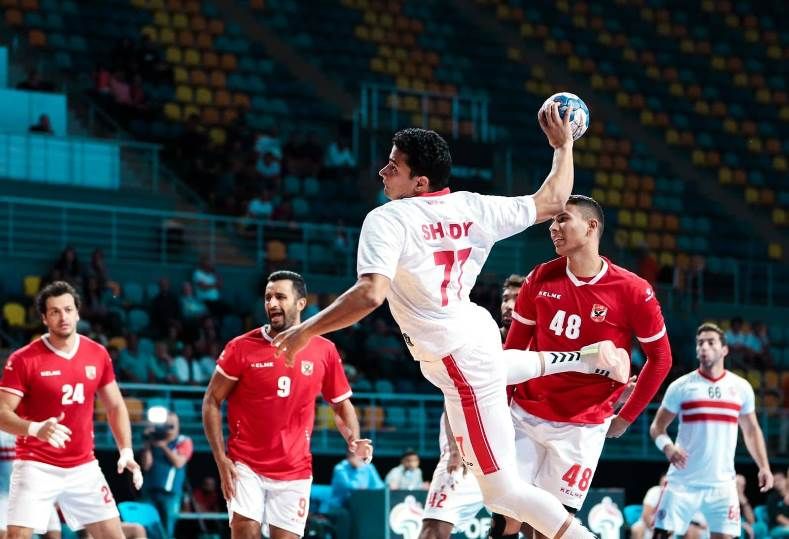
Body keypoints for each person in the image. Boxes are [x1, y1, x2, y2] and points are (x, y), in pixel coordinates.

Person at [272, 116, 631, 538]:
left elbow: (370, 294)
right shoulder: (473, 206)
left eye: (394, 166)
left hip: (456, 358)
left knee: (502, 494)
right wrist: (563, 146)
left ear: (420, 182)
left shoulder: (388, 219)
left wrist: (305, 331)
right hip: (470, 331)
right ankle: (583, 359)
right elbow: (552, 200)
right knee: (495, 370)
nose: (383, 171)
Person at [495, 195, 673, 538]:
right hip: (525, 415)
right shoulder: (539, 278)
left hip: (581, 428)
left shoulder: (633, 290)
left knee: (547, 530)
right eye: (553, 220)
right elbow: (512, 352)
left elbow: (661, 358)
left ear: (591, 227)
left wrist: (626, 418)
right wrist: (499, 407)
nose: (553, 227)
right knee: (506, 518)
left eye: (563, 219)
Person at [202, 270, 371, 539]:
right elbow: (212, 400)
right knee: (245, 532)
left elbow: (341, 404)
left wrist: (354, 438)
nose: (271, 303)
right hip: (245, 464)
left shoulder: (324, 350)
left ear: (301, 303)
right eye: (268, 297)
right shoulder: (240, 347)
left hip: (294, 468)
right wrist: (220, 459)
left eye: (280, 297)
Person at [0, 281, 143, 539]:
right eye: (54, 311)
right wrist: (35, 428)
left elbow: (115, 405)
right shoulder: (23, 359)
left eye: (68, 309)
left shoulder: (97, 353)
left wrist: (126, 450)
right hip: (35, 464)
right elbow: (2, 413)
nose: (63, 317)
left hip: (83, 466)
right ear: (44, 318)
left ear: (77, 313)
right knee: (16, 536)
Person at [649, 322, 774, 539]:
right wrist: (668, 447)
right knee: (661, 536)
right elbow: (657, 427)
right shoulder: (681, 386)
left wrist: (764, 466)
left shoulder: (741, 388)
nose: (704, 347)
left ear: (724, 349)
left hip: (722, 485)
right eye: (700, 343)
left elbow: (752, 430)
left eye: (710, 342)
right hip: (682, 482)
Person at [420, 272, 521, 539]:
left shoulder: (537, 348)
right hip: (468, 449)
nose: (508, 305)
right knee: (433, 528)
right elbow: (452, 391)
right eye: (506, 298)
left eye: (517, 299)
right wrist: (455, 449)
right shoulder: (482, 338)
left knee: (513, 528)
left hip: (511, 453)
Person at [140, 411, 193, 538]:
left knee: (167, 530)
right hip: (149, 491)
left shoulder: (183, 441)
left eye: (172, 424)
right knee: (148, 529)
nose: (168, 427)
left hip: (170, 494)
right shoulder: (153, 440)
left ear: (177, 425)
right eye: (166, 424)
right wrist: (147, 443)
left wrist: (163, 446)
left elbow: (179, 462)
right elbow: (146, 465)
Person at [499, 274, 525, 341]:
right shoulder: (487, 338)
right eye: (505, 300)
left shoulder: (539, 343)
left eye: (517, 300)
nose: (509, 306)